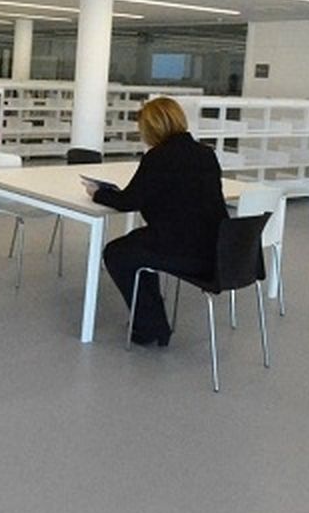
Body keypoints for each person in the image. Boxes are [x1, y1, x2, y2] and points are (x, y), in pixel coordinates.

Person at [91, 96, 226, 347]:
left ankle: (150, 327)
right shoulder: (206, 154)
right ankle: (151, 323)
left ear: (152, 128)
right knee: (137, 248)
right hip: (214, 249)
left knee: (117, 253)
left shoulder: (158, 157)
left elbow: (128, 201)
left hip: (182, 250)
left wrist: (98, 193)